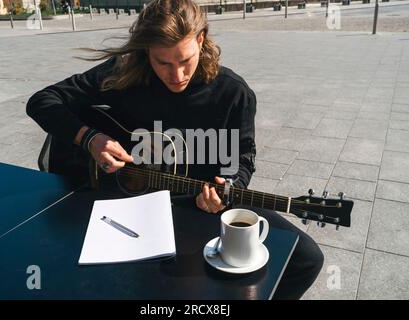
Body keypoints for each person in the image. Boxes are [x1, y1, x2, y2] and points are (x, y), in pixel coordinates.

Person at [26, 0, 323, 299]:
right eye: (163, 62)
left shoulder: (233, 93)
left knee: (306, 258)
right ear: (146, 53)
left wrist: (230, 186)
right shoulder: (125, 73)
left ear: (201, 39)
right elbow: (42, 101)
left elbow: (243, 156)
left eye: (185, 60)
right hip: (126, 204)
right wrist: (90, 139)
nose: (177, 74)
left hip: (198, 203)